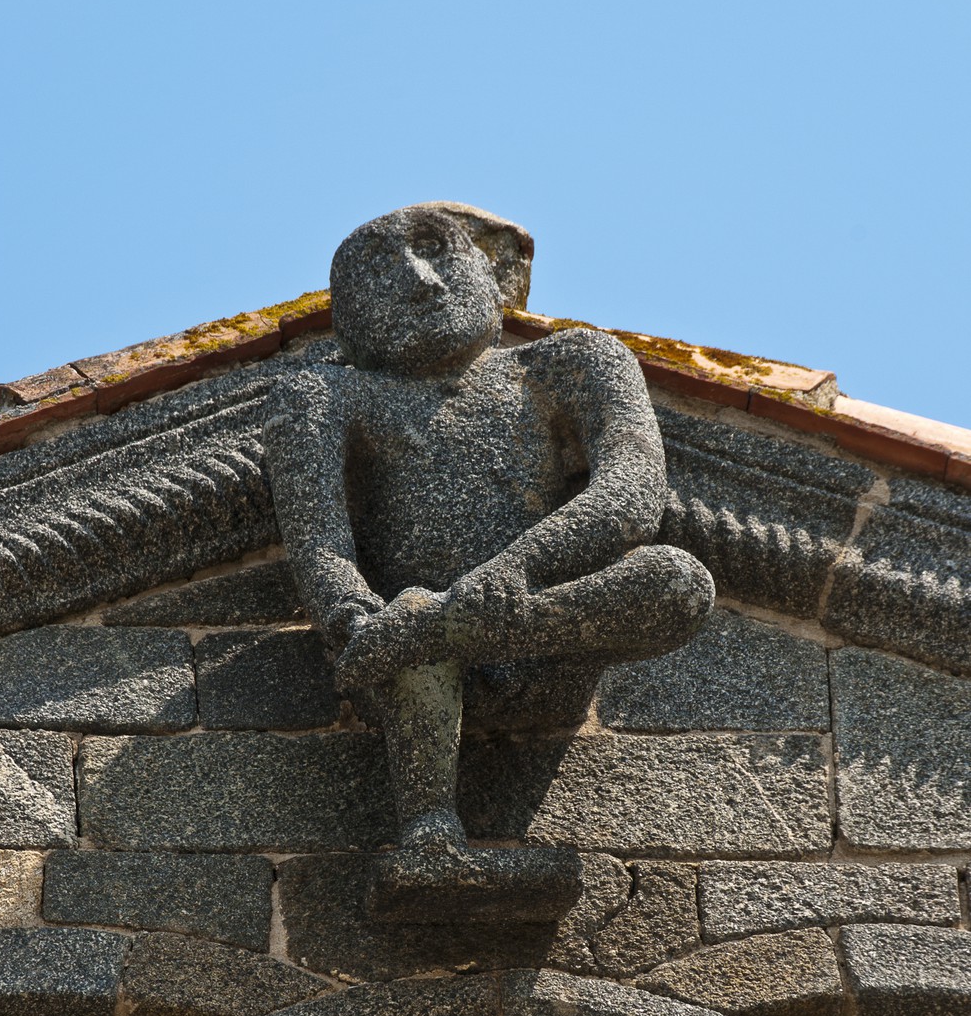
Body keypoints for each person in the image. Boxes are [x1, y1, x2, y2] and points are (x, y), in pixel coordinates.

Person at [262, 204, 713, 853]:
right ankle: (428, 816)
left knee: (676, 580)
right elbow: (320, 545)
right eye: (378, 273)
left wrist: (513, 571)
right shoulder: (323, 397)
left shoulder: (570, 362)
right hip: (407, 668)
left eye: (436, 250)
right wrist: (351, 613)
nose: (420, 281)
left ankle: (434, 625)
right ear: (350, 321)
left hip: (545, 627)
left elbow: (632, 490)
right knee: (410, 646)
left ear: (492, 270)